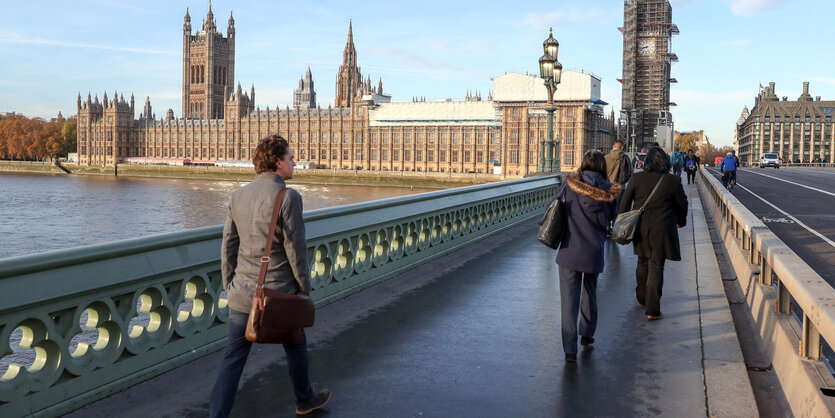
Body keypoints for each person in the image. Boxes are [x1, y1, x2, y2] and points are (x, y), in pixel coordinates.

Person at [211, 135, 331, 417]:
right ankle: (304, 400)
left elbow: (228, 245)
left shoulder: (237, 195)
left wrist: (230, 284)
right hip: (278, 296)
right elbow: (296, 249)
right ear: (277, 162)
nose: (294, 161)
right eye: (291, 157)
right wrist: (304, 288)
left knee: (233, 359)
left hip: (242, 294)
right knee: (295, 344)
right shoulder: (288, 197)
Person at [549, 150, 620, 362]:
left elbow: (552, 206)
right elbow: (612, 218)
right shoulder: (610, 191)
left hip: (570, 249)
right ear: (602, 167)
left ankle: (569, 349)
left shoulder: (570, 184)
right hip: (594, 250)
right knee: (590, 292)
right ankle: (587, 334)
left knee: (568, 301)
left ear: (583, 164)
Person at [619, 147, 688, 320]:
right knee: (657, 265)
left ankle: (642, 296)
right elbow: (682, 204)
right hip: (662, 229)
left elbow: (624, 204)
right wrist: (681, 221)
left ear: (647, 161)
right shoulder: (672, 180)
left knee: (642, 261)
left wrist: (624, 222)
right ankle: (652, 309)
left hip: (640, 228)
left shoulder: (636, 178)